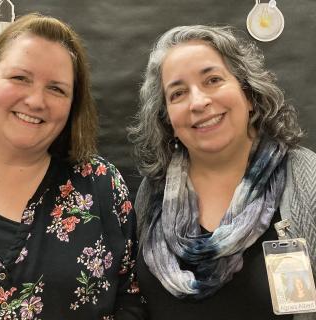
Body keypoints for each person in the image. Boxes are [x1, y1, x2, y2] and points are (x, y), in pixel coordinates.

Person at [0, 13, 145, 319]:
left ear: (72, 104)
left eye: (57, 89)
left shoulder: (103, 185)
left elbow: (130, 300)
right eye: (20, 78)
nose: (36, 101)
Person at [128, 24, 316, 319]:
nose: (199, 102)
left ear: (249, 93)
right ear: (167, 120)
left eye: (213, 80)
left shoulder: (308, 181)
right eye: (178, 93)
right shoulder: (154, 191)